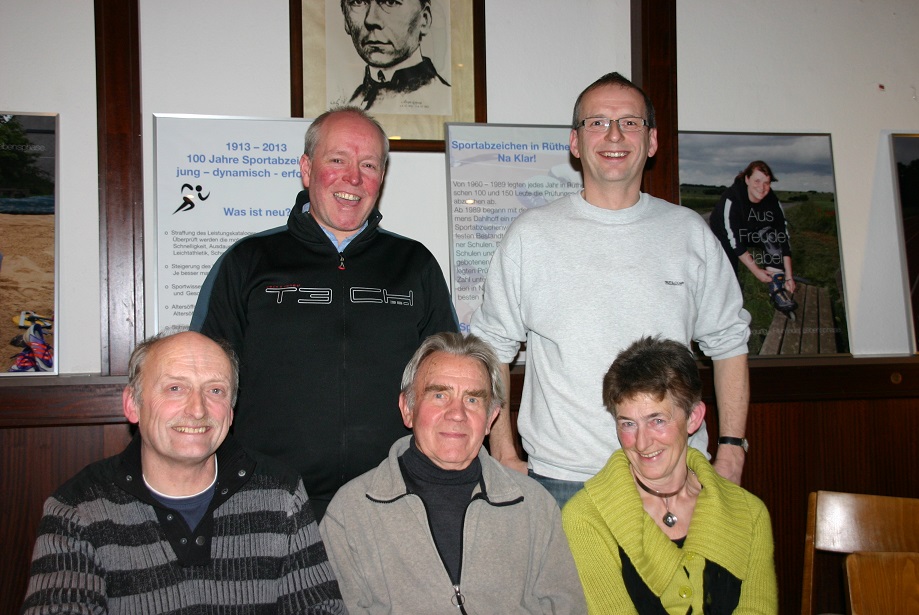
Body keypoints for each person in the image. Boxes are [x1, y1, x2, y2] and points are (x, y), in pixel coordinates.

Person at [470, 72, 752, 508]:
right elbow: (491, 349)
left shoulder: (690, 233)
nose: (614, 135)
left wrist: (732, 448)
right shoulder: (531, 236)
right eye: (597, 122)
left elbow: (730, 342)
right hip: (564, 482)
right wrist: (504, 453)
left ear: (651, 141)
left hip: (676, 476)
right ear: (575, 142)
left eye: (630, 123)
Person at [191, 106, 457, 519]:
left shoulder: (414, 264)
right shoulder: (248, 261)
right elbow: (201, 378)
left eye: (368, 165)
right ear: (307, 168)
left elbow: (452, 378)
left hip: (394, 502)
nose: (354, 178)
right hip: (266, 499)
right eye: (337, 160)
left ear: (382, 176)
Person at [20, 330, 345, 614]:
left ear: (231, 412)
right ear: (133, 404)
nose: (198, 409)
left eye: (215, 390)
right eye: (175, 388)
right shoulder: (77, 509)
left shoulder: (281, 492)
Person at [319, 332, 587, 613]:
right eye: (439, 395)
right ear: (408, 408)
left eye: (472, 400)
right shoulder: (351, 513)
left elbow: (566, 607)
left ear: (491, 418)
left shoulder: (534, 506)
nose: (457, 413)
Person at [562, 336, 777, 613]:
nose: (642, 443)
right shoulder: (586, 518)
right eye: (628, 424)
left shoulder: (748, 513)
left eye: (657, 420)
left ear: (693, 418)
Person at [709, 160, 797, 314]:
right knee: (728, 268)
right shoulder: (732, 198)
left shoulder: (772, 200)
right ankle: (727, 309)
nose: (762, 188)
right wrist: (756, 271)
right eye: (757, 181)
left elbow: (783, 237)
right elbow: (735, 241)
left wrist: (789, 276)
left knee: (772, 238)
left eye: (766, 183)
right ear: (747, 179)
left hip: (754, 229)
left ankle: (777, 290)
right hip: (726, 234)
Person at [341, 0, 451, 113]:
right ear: (346, 20)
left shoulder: (442, 101)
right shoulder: (349, 103)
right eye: (358, 2)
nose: (370, 20)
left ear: (424, 19)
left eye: (391, 2)